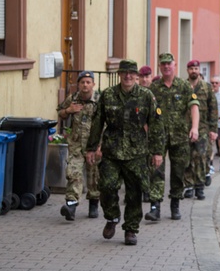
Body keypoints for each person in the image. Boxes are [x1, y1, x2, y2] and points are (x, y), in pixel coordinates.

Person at [84, 60, 164, 246]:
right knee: (107, 186)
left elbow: (157, 125)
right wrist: (91, 147)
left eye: (131, 73)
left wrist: (157, 152)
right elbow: (97, 122)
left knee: (134, 192)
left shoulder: (146, 96)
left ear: (136, 76)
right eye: (124, 73)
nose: (127, 76)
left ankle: (130, 229)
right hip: (111, 151)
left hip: (136, 153)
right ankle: (112, 217)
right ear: (119, 74)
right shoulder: (108, 95)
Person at [147, 53, 200, 221]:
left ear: (174, 65)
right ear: (160, 67)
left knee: (178, 172)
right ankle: (155, 207)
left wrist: (195, 127)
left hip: (179, 136)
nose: (166, 67)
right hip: (158, 137)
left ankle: (175, 203)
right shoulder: (154, 88)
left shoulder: (184, 86)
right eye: (163, 64)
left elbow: (194, 107)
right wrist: (147, 130)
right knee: (156, 171)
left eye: (169, 64)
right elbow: (145, 112)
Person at [56, 70, 100, 220]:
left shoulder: (99, 101)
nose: (85, 85)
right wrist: (68, 110)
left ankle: (94, 203)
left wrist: (100, 146)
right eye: (82, 82)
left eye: (88, 82)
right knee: (73, 173)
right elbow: (60, 112)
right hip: (75, 144)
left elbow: (106, 123)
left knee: (94, 176)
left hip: (93, 145)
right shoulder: (73, 98)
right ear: (78, 84)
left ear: (93, 84)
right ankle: (71, 205)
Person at [186, 59, 217, 200]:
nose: (194, 71)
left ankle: (199, 186)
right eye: (191, 68)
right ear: (188, 70)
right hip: (185, 127)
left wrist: (213, 129)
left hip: (203, 127)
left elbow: (213, 109)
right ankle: (188, 185)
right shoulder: (183, 86)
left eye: (196, 68)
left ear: (199, 71)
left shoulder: (206, 87)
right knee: (186, 156)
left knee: (200, 155)